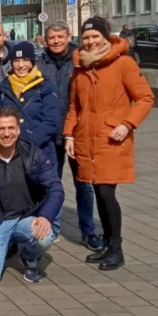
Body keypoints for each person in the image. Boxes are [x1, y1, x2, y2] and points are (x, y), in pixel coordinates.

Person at [64, 17, 154, 271]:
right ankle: (107, 243)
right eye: (86, 37)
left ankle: (116, 247)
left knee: (105, 192)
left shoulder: (123, 63)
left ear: (106, 37)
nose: (90, 42)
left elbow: (145, 98)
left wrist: (127, 124)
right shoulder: (80, 67)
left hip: (111, 139)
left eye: (95, 37)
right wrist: (69, 135)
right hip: (86, 139)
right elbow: (74, 106)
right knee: (98, 191)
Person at [0, 107, 64, 285]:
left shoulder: (33, 154)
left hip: (26, 218)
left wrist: (45, 216)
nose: (6, 133)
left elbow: (56, 188)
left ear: (18, 129)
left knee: (45, 235)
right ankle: (4, 245)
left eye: (11, 128)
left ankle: (29, 256)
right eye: (1, 129)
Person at [37, 22, 103, 250]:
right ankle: (52, 228)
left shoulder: (81, 61)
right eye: (52, 37)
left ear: (68, 37)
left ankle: (88, 230)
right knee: (50, 183)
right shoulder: (39, 64)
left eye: (60, 37)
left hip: (77, 134)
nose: (56, 41)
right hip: (50, 135)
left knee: (83, 184)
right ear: (45, 40)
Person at [0, 41, 61, 161]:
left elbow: (51, 120)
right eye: (16, 61)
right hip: (9, 154)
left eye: (25, 60)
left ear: (32, 62)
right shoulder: (2, 88)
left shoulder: (45, 86)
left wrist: (28, 143)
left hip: (41, 152)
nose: (21, 65)